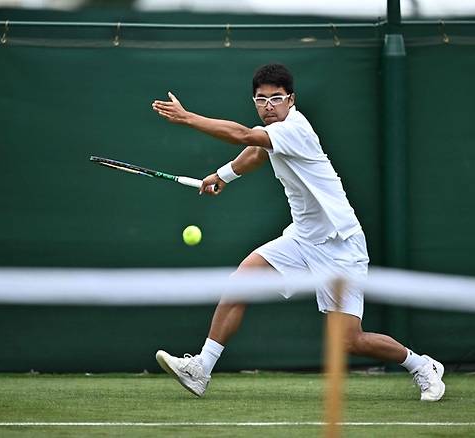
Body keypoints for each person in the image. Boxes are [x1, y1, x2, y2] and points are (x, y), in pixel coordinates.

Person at [151, 63, 445, 402]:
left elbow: (246, 136)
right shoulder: (275, 133)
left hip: (340, 245)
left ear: (291, 100)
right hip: (303, 237)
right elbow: (256, 152)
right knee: (241, 280)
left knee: (349, 341)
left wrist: (187, 118)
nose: (268, 106)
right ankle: (202, 368)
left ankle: (421, 365)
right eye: (261, 100)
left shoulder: (295, 129)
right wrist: (221, 176)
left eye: (276, 99)